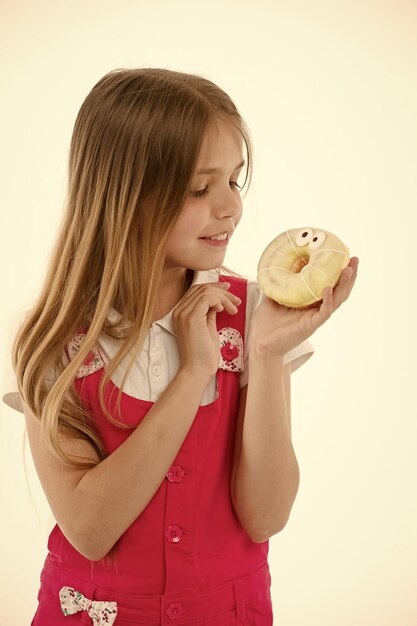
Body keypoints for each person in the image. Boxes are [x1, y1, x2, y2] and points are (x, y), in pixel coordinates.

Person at [3, 68, 358, 625]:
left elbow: (265, 517)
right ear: (124, 197)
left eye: (234, 182)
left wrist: (264, 355)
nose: (230, 208)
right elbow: (91, 531)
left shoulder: (254, 316)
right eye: (199, 188)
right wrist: (194, 372)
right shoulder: (55, 336)